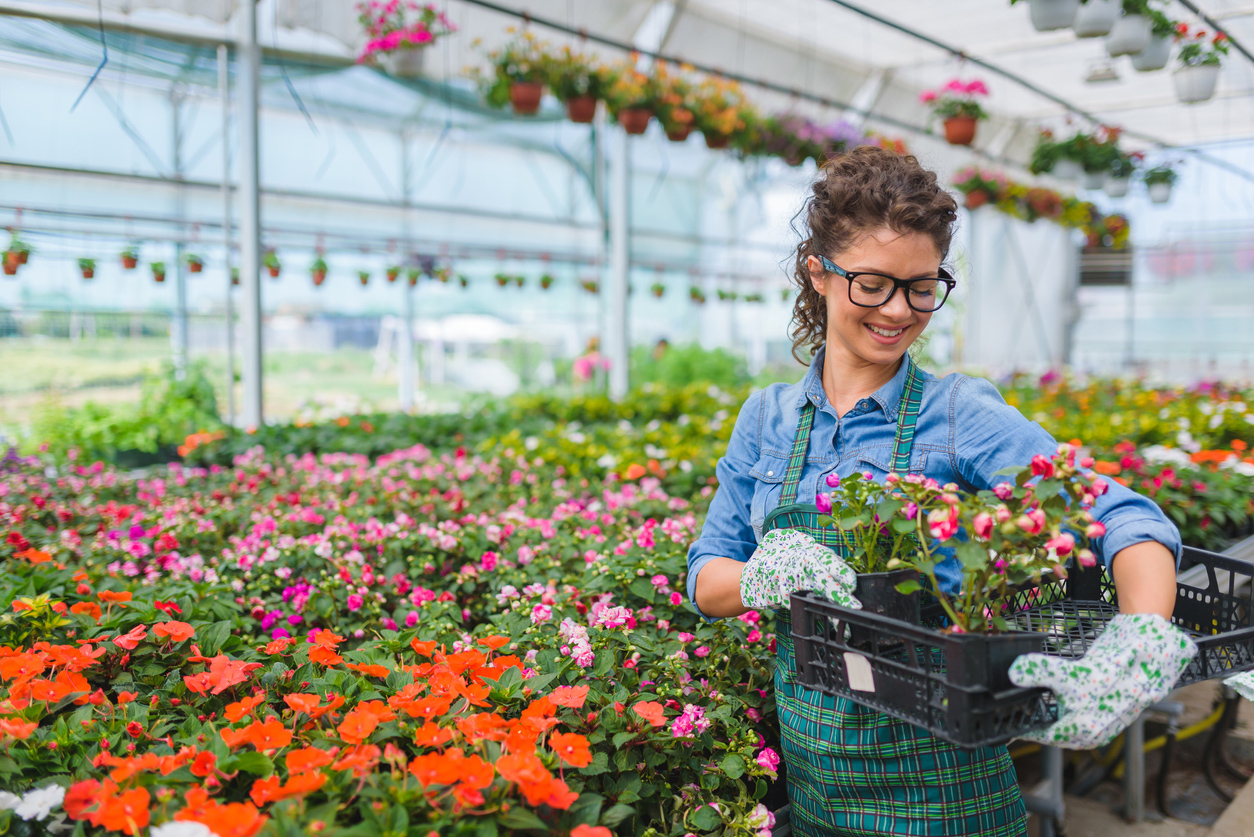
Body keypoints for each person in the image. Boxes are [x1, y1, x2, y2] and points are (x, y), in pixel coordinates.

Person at [685, 146, 1197, 836]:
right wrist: (758, 574)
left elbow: (1123, 515)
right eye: (873, 284)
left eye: (922, 286)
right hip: (817, 800)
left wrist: (1141, 639)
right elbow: (706, 577)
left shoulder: (958, 413)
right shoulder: (768, 421)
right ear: (819, 273)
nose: (900, 310)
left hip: (947, 800)